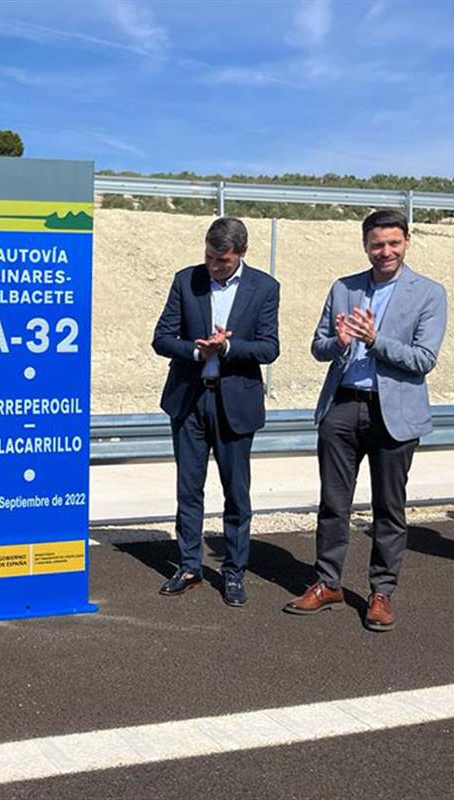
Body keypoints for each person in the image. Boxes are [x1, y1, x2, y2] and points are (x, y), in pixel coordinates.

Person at [285, 209, 447, 631]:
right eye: (377, 245)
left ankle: (381, 591)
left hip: (393, 412)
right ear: (365, 246)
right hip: (342, 406)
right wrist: (338, 342)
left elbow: (423, 360)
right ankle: (327, 582)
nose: (385, 252)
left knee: (389, 508)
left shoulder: (429, 293)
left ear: (407, 242)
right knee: (333, 503)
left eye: (393, 243)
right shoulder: (344, 287)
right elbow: (317, 346)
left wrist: (375, 341)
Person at [151, 217, 281, 606]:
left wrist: (227, 348)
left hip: (235, 404)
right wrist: (196, 350)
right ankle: (190, 565)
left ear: (240, 254)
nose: (213, 266)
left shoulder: (264, 288)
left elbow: (269, 347)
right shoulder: (185, 280)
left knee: (236, 493)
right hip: (189, 400)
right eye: (209, 257)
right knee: (189, 490)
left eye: (221, 261)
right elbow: (161, 337)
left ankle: (234, 571)